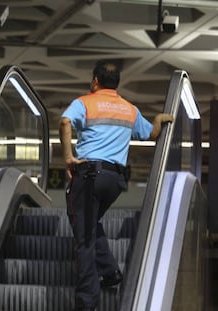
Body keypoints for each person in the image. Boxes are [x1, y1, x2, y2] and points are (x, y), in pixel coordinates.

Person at [59, 60, 173, 311]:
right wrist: (158, 119)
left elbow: (65, 122)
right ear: (116, 84)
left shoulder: (85, 102)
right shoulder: (129, 109)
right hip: (115, 180)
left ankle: (87, 301)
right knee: (90, 224)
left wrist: (68, 157)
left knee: (84, 239)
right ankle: (110, 272)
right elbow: (150, 134)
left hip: (88, 177)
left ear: (95, 81)